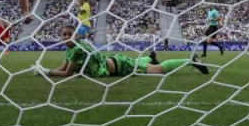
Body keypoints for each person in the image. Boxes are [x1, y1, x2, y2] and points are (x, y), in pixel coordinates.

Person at [38, 25, 209, 78]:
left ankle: (190, 60)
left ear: (76, 36)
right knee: (141, 64)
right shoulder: (71, 50)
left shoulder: (78, 50)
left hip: (121, 66)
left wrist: (46, 73)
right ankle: (150, 57)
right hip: (115, 62)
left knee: (159, 71)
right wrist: (44, 70)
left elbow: (68, 73)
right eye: (64, 34)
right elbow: (63, 68)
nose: (66, 37)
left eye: (70, 34)